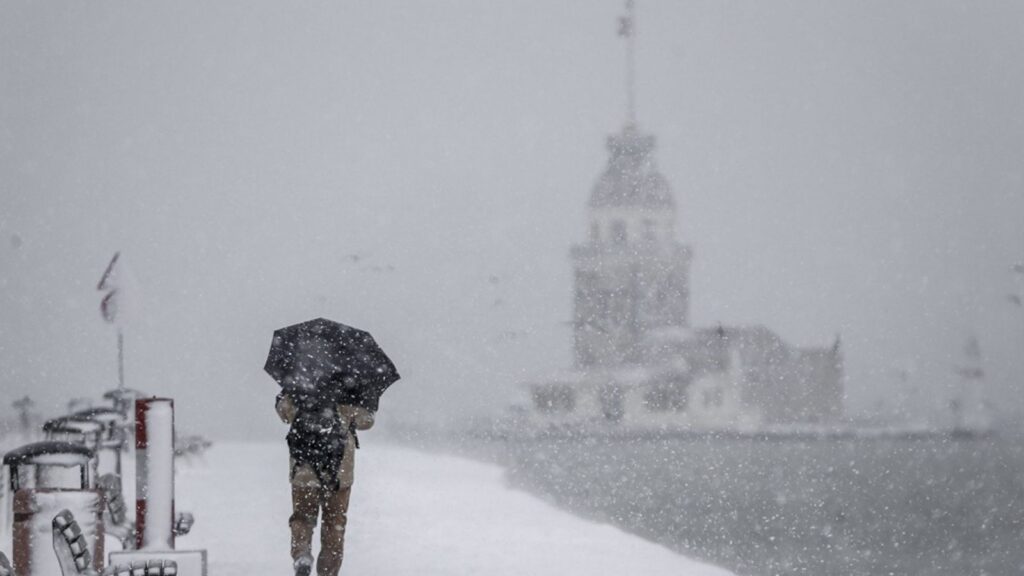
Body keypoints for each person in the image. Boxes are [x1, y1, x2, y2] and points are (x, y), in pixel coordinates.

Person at [276, 391, 375, 576]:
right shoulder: (350, 383)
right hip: (339, 471)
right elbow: (366, 421)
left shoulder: (300, 381)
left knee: (302, 517)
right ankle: (328, 572)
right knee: (334, 522)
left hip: (304, 468)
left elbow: (285, 413)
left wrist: (283, 398)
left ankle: (302, 555)